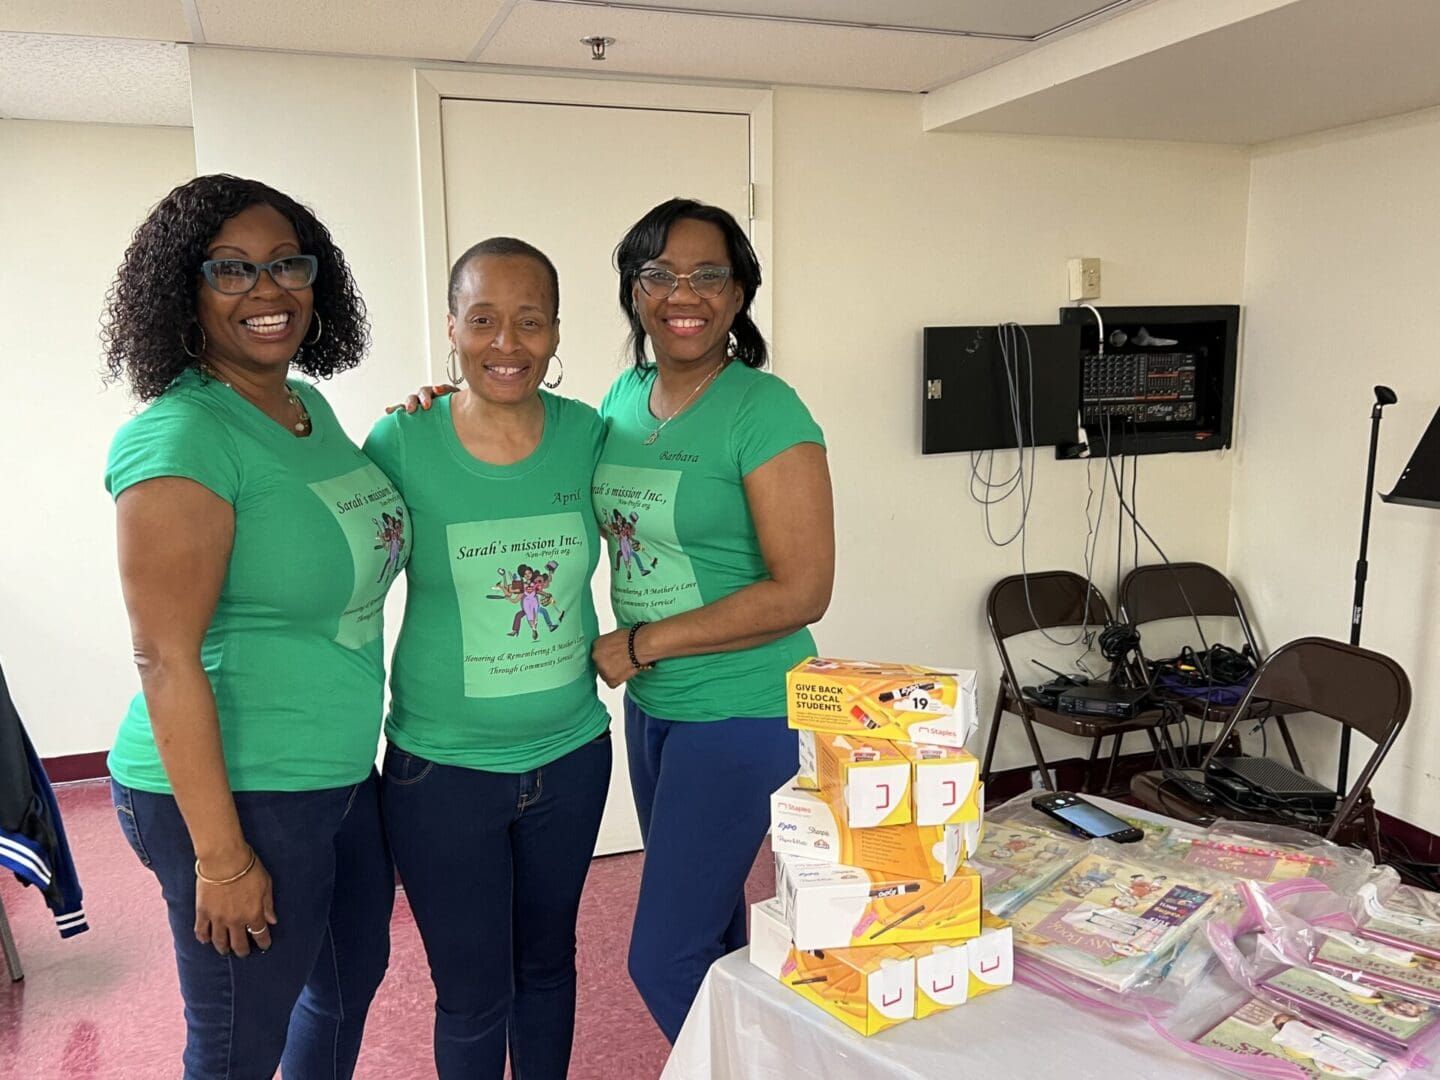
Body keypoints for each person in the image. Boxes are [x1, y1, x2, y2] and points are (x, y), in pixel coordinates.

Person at [101, 175, 404, 1078]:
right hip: (238, 793)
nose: (268, 291)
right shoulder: (183, 438)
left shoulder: (306, 409)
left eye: (286, 265)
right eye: (231, 270)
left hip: (340, 776)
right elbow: (163, 657)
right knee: (238, 1044)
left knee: (346, 990)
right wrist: (223, 857)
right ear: (181, 291)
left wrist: (430, 417)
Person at [365, 238, 611, 1079]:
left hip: (573, 759)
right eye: (483, 321)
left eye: (529, 322)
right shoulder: (400, 439)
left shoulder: (589, 436)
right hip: (442, 774)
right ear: (451, 329)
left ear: (555, 332)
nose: (507, 343)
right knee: (470, 992)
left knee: (549, 966)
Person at [591, 198, 835, 1041]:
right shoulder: (621, 398)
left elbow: (803, 591)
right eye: (659, 273)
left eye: (707, 275)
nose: (681, 292)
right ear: (634, 291)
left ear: (738, 297)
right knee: (717, 931)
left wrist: (642, 642)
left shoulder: (764, 411)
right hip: (654, 711)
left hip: (744, 710)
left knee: (660, 955)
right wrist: (446, 403)